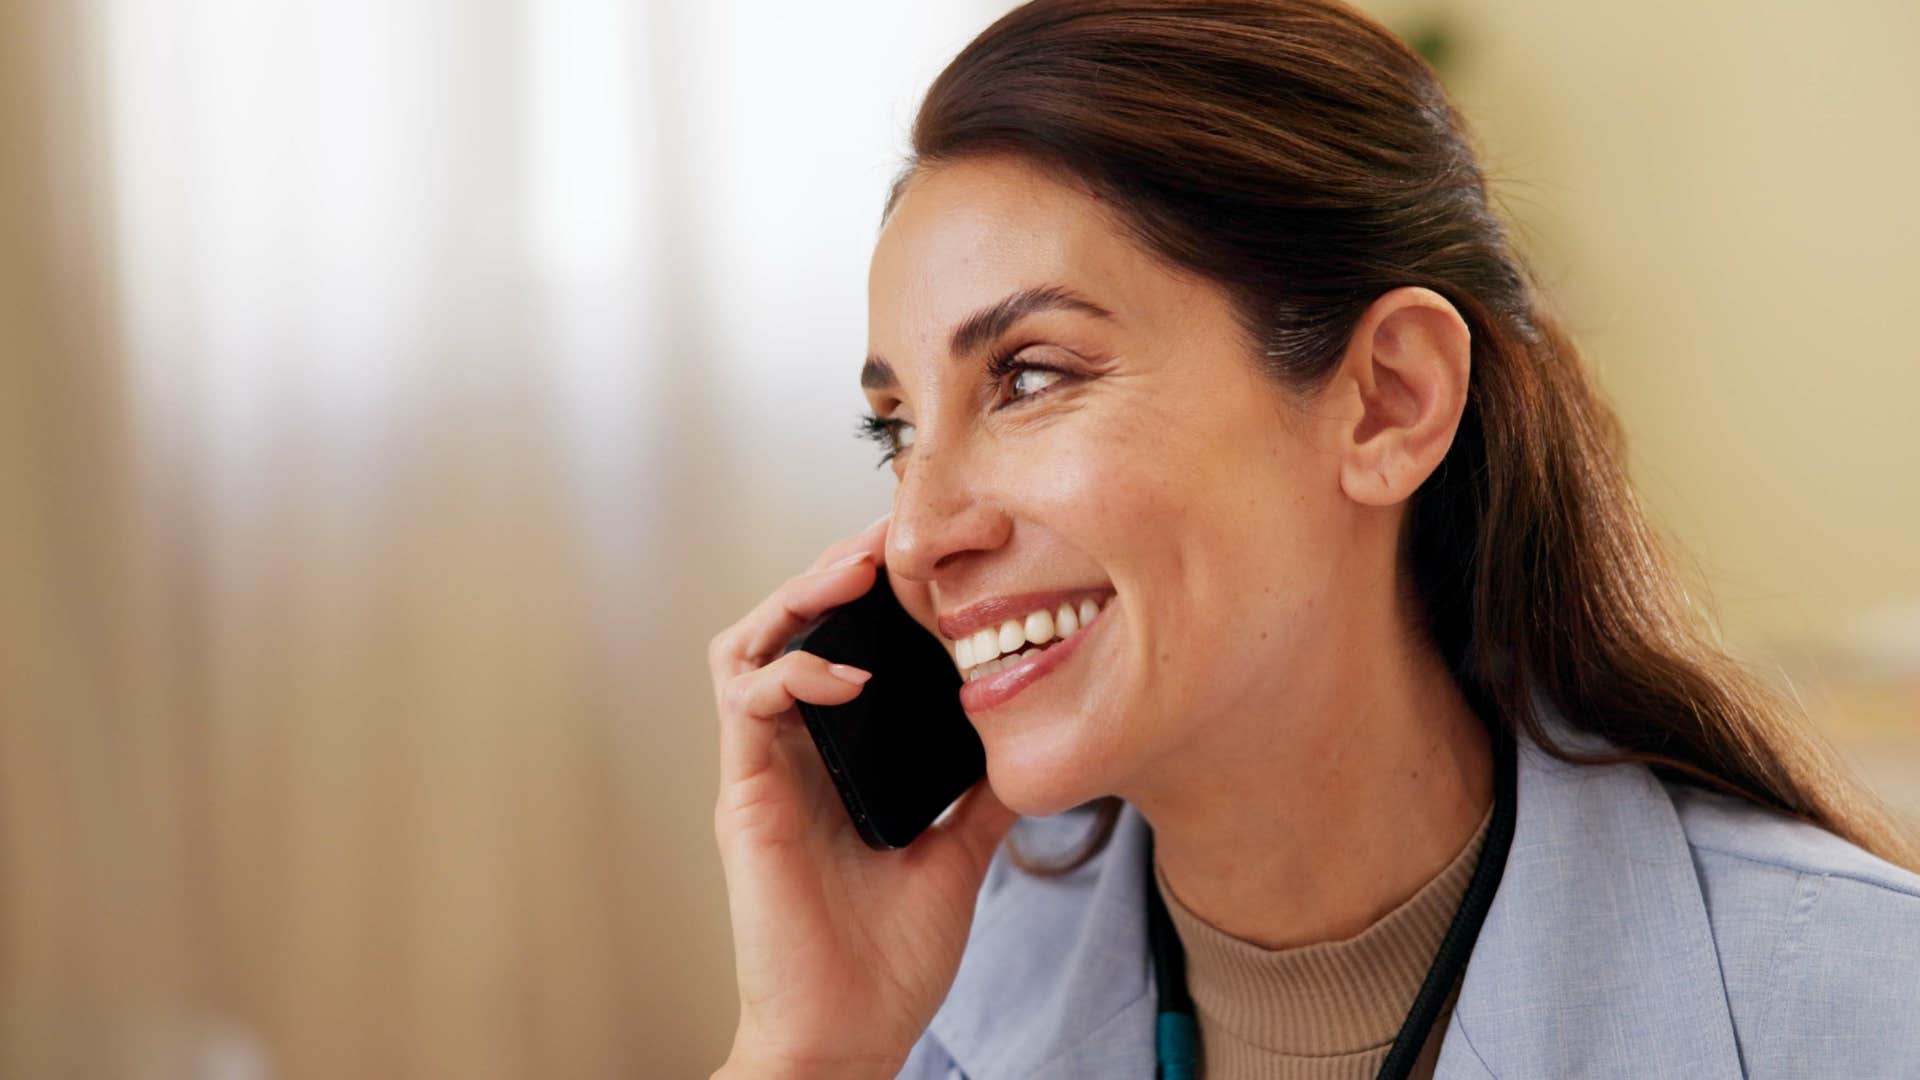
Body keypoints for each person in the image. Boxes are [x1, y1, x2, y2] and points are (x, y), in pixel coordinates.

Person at [704, 1, 1920, 1076]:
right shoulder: (930, 1023)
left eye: (1029, 377)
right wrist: (808, 1055)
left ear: (1389, 400)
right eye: (897, 431)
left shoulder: (1861, 1007)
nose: (917, 537)